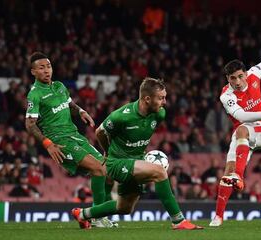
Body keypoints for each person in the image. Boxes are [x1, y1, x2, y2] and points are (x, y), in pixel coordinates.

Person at [71, 77, 203, 230]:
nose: (164, 102)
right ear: (147, 99)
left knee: (124, 207)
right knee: (159, 172)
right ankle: (178, 221)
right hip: (118, 163)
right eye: (161, 98)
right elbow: (100, 131)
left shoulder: (159, 114)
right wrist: (107, 152)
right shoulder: (121, 116)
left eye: (165, 98)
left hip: (136, 161)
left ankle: (82, 214)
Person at [210, 21, 261, 227]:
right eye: (233, 78)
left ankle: (239, 176)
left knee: (240, 133)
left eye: (240, 76)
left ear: (246, 73)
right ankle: (218, 216)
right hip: (244, 133)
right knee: (228, 171)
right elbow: (242, 115)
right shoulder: (226, 95)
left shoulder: (255, 74)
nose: (238, 81)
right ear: (227, 79)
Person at [25, 52, 116, 228]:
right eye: (41, 68)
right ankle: (97, 217)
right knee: (98, 169)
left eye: (48, 66)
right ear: (33, 72)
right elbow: (30, 124)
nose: (46, 71)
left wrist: (81, 111)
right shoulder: (34, 94)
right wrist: (48, 144)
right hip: (60, 141)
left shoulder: (59, 86)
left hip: (75, 136)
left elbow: (69, 104)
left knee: (107, 170)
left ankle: (89, 217)